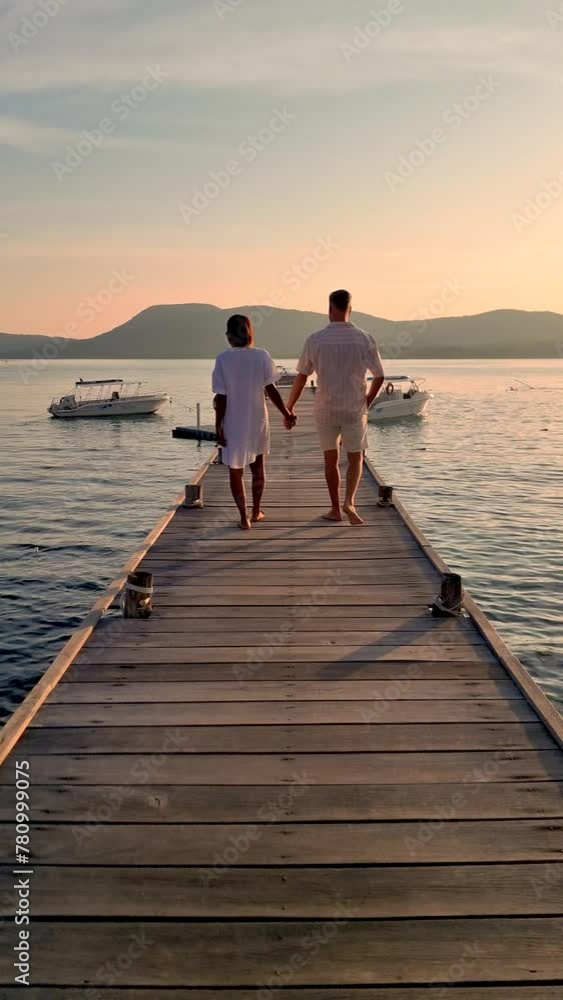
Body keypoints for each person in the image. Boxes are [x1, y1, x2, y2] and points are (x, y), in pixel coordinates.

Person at [286, 289, 384, 526]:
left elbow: (301, 376)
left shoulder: (316, 339)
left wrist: (289, 407)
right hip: (354, 408)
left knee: (331, 459)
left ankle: (334, 509)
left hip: (326, 409)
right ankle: (349, 501)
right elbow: (379, 376)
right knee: (355, 458)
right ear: (350, 309)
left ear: (330, 309)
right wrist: (366, 402)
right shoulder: (365, 338)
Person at [213, 314, 296, 530]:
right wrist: (286, 413)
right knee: (258, 468)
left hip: (233, 421)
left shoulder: (223, 359)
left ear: (229, 336)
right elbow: (271, 389)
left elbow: (221, 397)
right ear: (249, 332)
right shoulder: (262, 356)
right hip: (258, 419)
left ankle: (243, 518)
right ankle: (256, 511)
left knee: (235, 469)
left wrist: (218, 425)